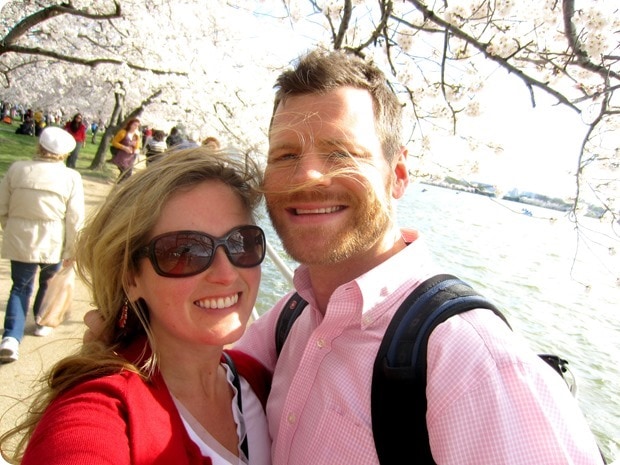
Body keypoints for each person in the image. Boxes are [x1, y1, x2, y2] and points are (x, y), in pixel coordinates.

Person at [83, 50, 606, 464]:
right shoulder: (296, 314)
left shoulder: (471, 362)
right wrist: (122, 334)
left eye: (341, 152)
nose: (308, 175)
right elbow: (196, 360)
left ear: (397, 175)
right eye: (286, 154)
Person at [0, 148, 272, 464]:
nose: (226, 274)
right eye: (185, 252)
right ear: (131, 278)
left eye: (241, 242)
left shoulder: (258, 381)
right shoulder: (103, 410)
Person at [0, 127, 84, 362]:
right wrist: (72, 249)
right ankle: (42, 321)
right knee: (48, 283)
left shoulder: (17, 169)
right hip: (53, 239)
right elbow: (75, 218)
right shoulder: (70, 177)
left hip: (21, 236)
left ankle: (11, 338)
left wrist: (11, 227)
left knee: (19, 287)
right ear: (65, 153)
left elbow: (2, 206)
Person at [110, 118, 142, 182]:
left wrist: (137, 140)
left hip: (130, 157)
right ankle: (119, 185)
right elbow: (114, 142)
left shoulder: (136, 135)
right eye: (135, 125)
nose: (136, 127)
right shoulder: (123, 133)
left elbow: (137, 147)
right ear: (130, 125)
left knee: (128, 174)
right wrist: (124, 147)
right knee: (125, 172)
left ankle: (119, 184)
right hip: (122, 156)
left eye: (137, 126)